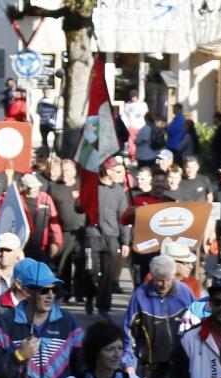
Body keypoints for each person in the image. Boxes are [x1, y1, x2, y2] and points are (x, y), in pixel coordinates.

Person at [85, 160, 131, 316]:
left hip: (112, 236)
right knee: (90, 270)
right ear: (107, 171)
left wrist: (125, 241)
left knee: (108, 272)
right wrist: (80, 201)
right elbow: (79, 208)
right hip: (93, 234)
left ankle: (103, 305)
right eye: (116, 171)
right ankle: (90, 296)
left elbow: (123, 217)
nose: (119, 174)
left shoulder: (119, 191)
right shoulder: (92, 187)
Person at [47, 159, 85, 289]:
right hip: (64, 231)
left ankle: (80, 291)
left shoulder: (81, 185)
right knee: (64, 263)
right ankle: (65, 290)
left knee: (82, 261)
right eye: (63, 170)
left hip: (81, 231)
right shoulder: (54, 187)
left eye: (68, 170)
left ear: (74, 171)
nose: (65, 173)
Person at [121, 91, 148, 161]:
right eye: (132, 97)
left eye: (135, 97)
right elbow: (124, 116)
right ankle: (132, 157)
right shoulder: (128, 105)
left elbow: (144, 112)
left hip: (140, 126)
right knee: (131, 143)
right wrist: (127, 125)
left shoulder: (142, 104)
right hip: (131, 127)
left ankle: (140, 156)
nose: (133, 98)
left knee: (140, 142)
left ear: (137, 97)